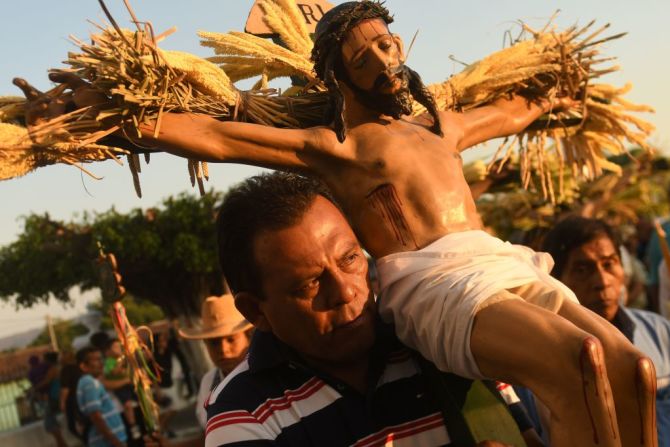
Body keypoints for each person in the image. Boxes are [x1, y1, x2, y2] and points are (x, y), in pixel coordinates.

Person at [13, 2, 655, 444]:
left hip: (501, 261)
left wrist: (558, 96)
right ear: (339, 72)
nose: (384, 58)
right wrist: (121, 118)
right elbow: (214, 134)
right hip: (435, 284)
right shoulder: (336, 148)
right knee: (580, 359)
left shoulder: (438, 126)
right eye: (365, 53)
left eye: (387, 42)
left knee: (631, 368)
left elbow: (513, 114)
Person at [200, 171, 542, 446]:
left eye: (350, 259)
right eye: (309, 284)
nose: (346, 291)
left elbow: (526, 435)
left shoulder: (436, 335)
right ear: (255, 311)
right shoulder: (243, 415)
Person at [542, 216, 670, 446]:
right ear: (556, 281)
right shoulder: (543, 357)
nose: (602, 281)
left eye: (609, 264)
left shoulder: (659, 331)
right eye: (582, 269)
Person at [178, 294, 253, 430]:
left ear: (248, 337)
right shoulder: (208, 383)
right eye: (214, 343)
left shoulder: (268, 373)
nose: (223, 350)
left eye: (231, 340)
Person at [76, 346, 128, 447]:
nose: (101, 363)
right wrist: (115, 442)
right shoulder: (89, 382)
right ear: (84, 366)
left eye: (101, 359)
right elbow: (96, 416)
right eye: (96, 360)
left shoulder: (92, 381)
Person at [103, 338, 141, 440]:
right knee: (127, 405)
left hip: (128, 385)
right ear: (108, 351)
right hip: (120, 387)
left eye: (119, 346)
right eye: (115, 347)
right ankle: (133, 426)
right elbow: (114, 372)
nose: (118, 349)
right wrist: (121, 360)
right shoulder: (109, 361)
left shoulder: (123, 359)